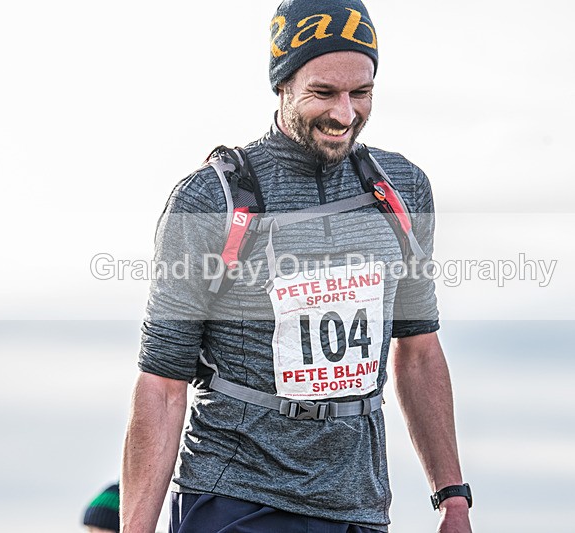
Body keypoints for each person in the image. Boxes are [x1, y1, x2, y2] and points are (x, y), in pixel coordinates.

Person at [121, 1, 472, 532]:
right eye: (323, 93)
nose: (344, 114)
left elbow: (418, 352)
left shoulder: (401, 189)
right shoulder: (210, 198)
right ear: (282, 86)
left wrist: (452, 498)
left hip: (360, 506)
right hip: (235, 496)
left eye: (362, 93)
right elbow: (163, 385)